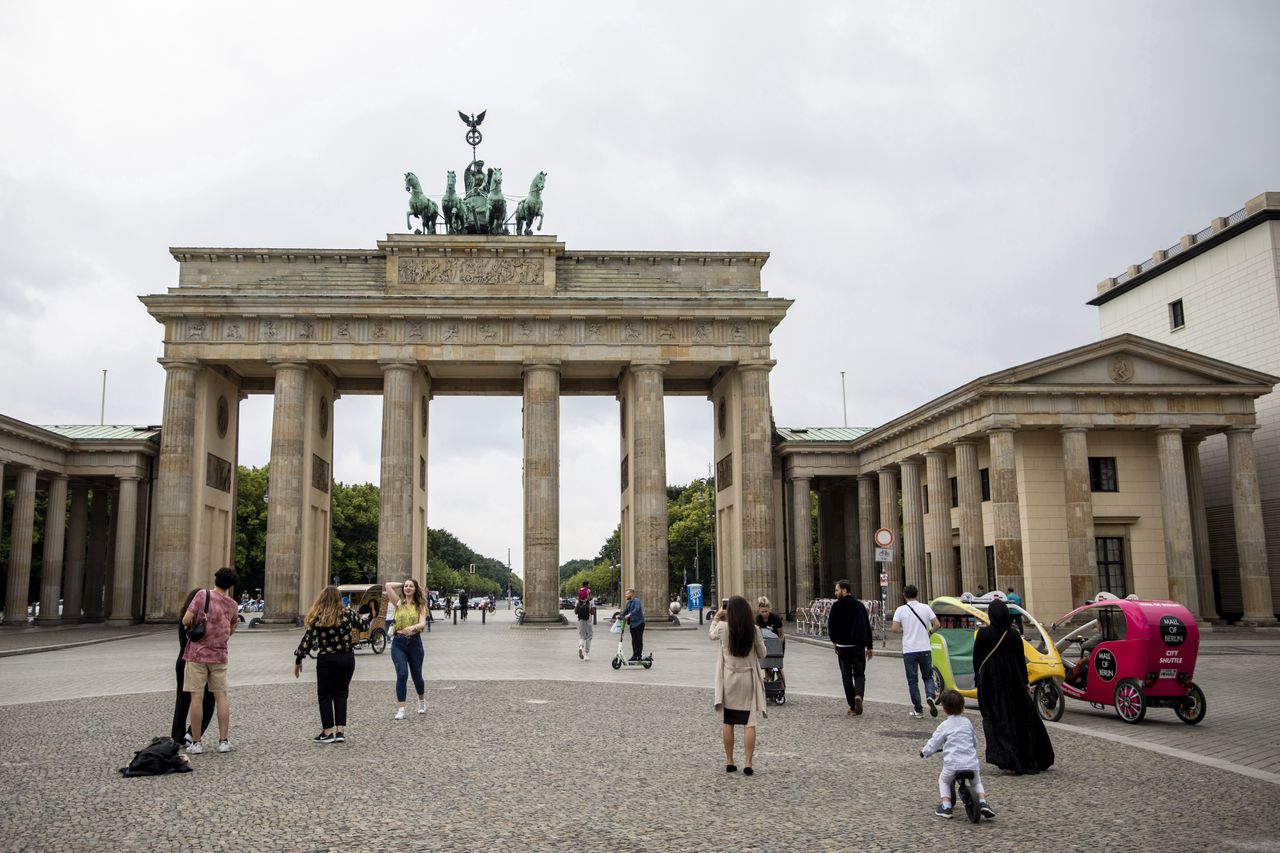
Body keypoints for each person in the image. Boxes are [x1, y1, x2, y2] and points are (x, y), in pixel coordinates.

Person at [971, 599, 1055, 774]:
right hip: (1013, 680)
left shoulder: (983, 633)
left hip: (992, 682)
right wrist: (1025, 682)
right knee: (1020, 718)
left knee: (998, 718)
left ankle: (1007, 756)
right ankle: (1028, 755)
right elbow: (1020, 660)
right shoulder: (1014, 634)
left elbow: (977, 659)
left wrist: (978, 677)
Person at [180, 566, 240, 754]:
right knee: (221, 696)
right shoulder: (231, 604)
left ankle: (196, 743)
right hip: (219, 655)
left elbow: (186, 620)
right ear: (231, 585)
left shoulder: (202, 596)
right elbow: (231, 629)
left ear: (216, 579)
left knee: (196, 697)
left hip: (197, 654)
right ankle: (223, 741)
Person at [293, 585, 359, 744]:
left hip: (328, 659)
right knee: (342, 694)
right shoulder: (348, 614)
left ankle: (327, 732)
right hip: (347, 658)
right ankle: (340, 731)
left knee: (325, 695)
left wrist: (298, 659)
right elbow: (363, 625)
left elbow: (308, 640)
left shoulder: (319, 616)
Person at [710, 595, 767, 775]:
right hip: (748, 679)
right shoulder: (754, 630)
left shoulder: (722, 628)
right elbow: (763, 653)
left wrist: (717, 617)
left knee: (729, 721)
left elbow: (711, 634)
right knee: (749, 722)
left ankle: (730, 761)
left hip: (729, 679)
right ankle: (748, 763)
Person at [920, 689, 996, 820]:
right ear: (963, 707)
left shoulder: (945, 725)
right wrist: (972, 748)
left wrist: (925, 752)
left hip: (953, 765)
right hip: (971, 763)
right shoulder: (967, 722)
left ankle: (946, 806)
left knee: (943, 780)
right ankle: (983, 802)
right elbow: (973, 740)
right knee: (976, 782)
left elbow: (934, 742)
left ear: (944, 709)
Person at [170, 587, 215, 745]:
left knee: (182, 700)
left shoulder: (185, 617)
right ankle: (191, 735)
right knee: (209, 699)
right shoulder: (202, 620)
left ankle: (177, 736)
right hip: (198, 661)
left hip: (182, 661)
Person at [892, 584, 941, 719]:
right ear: (917, 594)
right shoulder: (925, 608)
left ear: (904, 595)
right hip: (925, 648)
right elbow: (937, 624)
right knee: (928, 676)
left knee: (912, 681)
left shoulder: (901, 610)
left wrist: (905, 630)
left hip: (909, 649)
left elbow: (895, 628)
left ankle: (918, 710)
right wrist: (929, 632)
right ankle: (930, 696)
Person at [827, 579, 873, 716]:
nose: (835, 593)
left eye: (837, 590)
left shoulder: (836, 606)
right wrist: (869, 646)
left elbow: (831, 626)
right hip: (858, 646)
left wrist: (834, 641)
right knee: (859, 674)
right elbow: (867, 626)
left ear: (844, 590)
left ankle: (853, 706)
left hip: (843, 646)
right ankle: (859, 695)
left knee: (846, 676)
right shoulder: (860, 606)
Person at [385, 579, 427, 720]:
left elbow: (422, 623)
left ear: (415, 589)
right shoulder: (398, 603)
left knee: (417, 676)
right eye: (406, 586)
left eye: (411, 586)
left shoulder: (420, 606)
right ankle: (401, 708)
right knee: (402, 674)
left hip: (415, 643)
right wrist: (402, 584)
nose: (408, 588)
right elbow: (387, 586)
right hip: (399, 642)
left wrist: (412, 627)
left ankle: (421, 700)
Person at [621, 588, 646, 661]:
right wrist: (619, 615)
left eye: (627, 594)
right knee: (634, 640)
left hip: (639, 623)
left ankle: (639, 655)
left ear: (631, 594)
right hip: (632, 624)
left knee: (639, 640)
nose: (626, 595)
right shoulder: (628, 603)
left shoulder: (637, 601)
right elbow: (624, 612)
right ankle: (635, 655)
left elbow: (637, 609)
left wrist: (629, 614)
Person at [574, 584, 593, 660]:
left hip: (581, 620)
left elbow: (575, 611)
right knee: (589, 636)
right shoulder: (591, 601)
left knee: (582, 635)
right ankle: (586, 654)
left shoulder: (577, 601)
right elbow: (593, 611)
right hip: (588, 619)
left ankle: (580, 646)